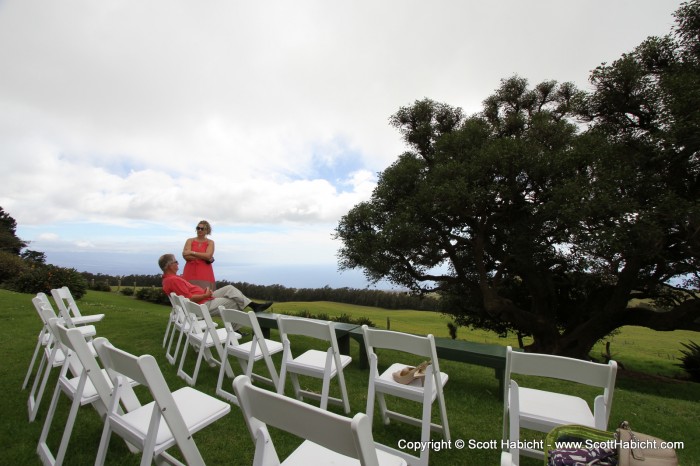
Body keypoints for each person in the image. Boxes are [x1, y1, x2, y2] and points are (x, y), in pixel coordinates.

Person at [159, 253, 272, 315]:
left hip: (203, 300)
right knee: (233, 302)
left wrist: (204, 294)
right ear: (169, 265)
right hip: (202, 306)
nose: (178, 264)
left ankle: (254, 306)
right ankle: (234, 330)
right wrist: (204, 296)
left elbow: (186, 296)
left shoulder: (169, 279)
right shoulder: (173, 280)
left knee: (229, 288)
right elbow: (188, 299)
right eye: (176, 262)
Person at [182, 220, 216, 290]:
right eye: (198, 228)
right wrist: (204, 257)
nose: (200, 230)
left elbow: (208, 256)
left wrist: (192, 252)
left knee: (205, 294)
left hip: (204, 273)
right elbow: (186, 256)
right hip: (190, 272)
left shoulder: (210, 242)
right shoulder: (189, 240)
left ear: (207, 231)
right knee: (187, 293)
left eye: (202, 229)